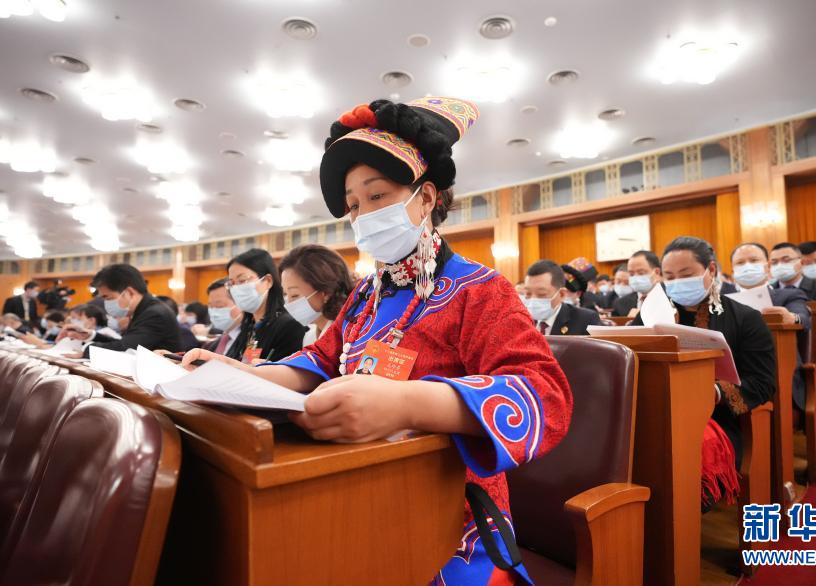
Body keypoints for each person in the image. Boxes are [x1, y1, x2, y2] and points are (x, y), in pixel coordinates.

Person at [182, 96, 571, 585]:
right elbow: (321, 359)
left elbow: (545, 395)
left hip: (451, 515)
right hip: (357, 485)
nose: (362, 215)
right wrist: (245, 376)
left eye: (378, 196)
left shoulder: (480, 289)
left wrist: (407, 404)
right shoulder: (367, 294)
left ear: (426, 198)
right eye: (352, 206)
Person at [632, 236, 776, 509]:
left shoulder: (745, 318)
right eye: (670, 277)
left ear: (710, 269)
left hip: (716, 420)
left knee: (676, 468)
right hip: (656, 414)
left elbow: (763, 383)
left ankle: (675, 522)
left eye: (686, 275)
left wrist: (715, 392)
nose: (677, 283)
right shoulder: (652, 314)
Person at [730, 242, 811, 411]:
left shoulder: (788, 294)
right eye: (740, 263)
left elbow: (803, 318)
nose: (747, 267)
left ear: (767, 266)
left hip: (777, 373)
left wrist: (791, 317)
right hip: (732, 376)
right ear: (732, 271)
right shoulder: (721, 302)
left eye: (754, 260)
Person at [66, 264, 183, 355]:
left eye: (108, 297)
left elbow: (126, 348)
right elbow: (125, 342)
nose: (105, 303)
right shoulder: (144, 309)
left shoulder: (155, 313)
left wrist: (86, 350)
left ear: (129, 292)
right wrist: (90, 335)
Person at [225, 248, 307, 363]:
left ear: (268, 281)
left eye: (242, 280)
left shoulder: (290, 326)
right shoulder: (250, 325)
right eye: (232, 283)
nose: (236, 288)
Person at [279, 244, 354, 348]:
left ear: (326, 292)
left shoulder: (350, 335)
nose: (288, 303)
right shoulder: (309, 337)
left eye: (294, 295)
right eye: (285, 294)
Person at [524, 260, 601, 335]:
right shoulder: (522, 320)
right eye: (528, 294)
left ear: (562, 294)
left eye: (541, 294)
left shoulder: (586, 320)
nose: (533, 300)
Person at [770, 242, 816, 312]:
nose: (780, 265)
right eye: (774, 262)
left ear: (802, 263)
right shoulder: (768, 291)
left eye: (787, 260)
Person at [614, 250, 663, 318]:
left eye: (641, 273)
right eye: (631, 274)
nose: (635, 277)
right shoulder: (621, 303)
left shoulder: (670, 298)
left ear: (657, 272)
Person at [201, 278, 243, 355]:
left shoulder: (251, 339)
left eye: (220, 306)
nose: (214, 312)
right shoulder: (213, 343)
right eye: (211, 306)